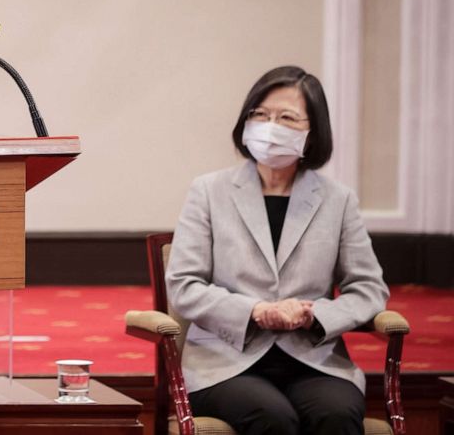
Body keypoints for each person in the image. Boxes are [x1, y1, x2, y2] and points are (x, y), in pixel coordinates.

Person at [165, 66, 388, 435]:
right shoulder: (209, 191)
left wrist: (314, 315)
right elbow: (185, 285)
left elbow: (369, 289)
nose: (270, 126)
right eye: (260, 115)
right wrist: (256, 311)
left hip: (313, 358)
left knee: (336, 414)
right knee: (273, 418)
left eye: (286, 118)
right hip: (224, 361)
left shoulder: (337, 200)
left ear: (312, 132)